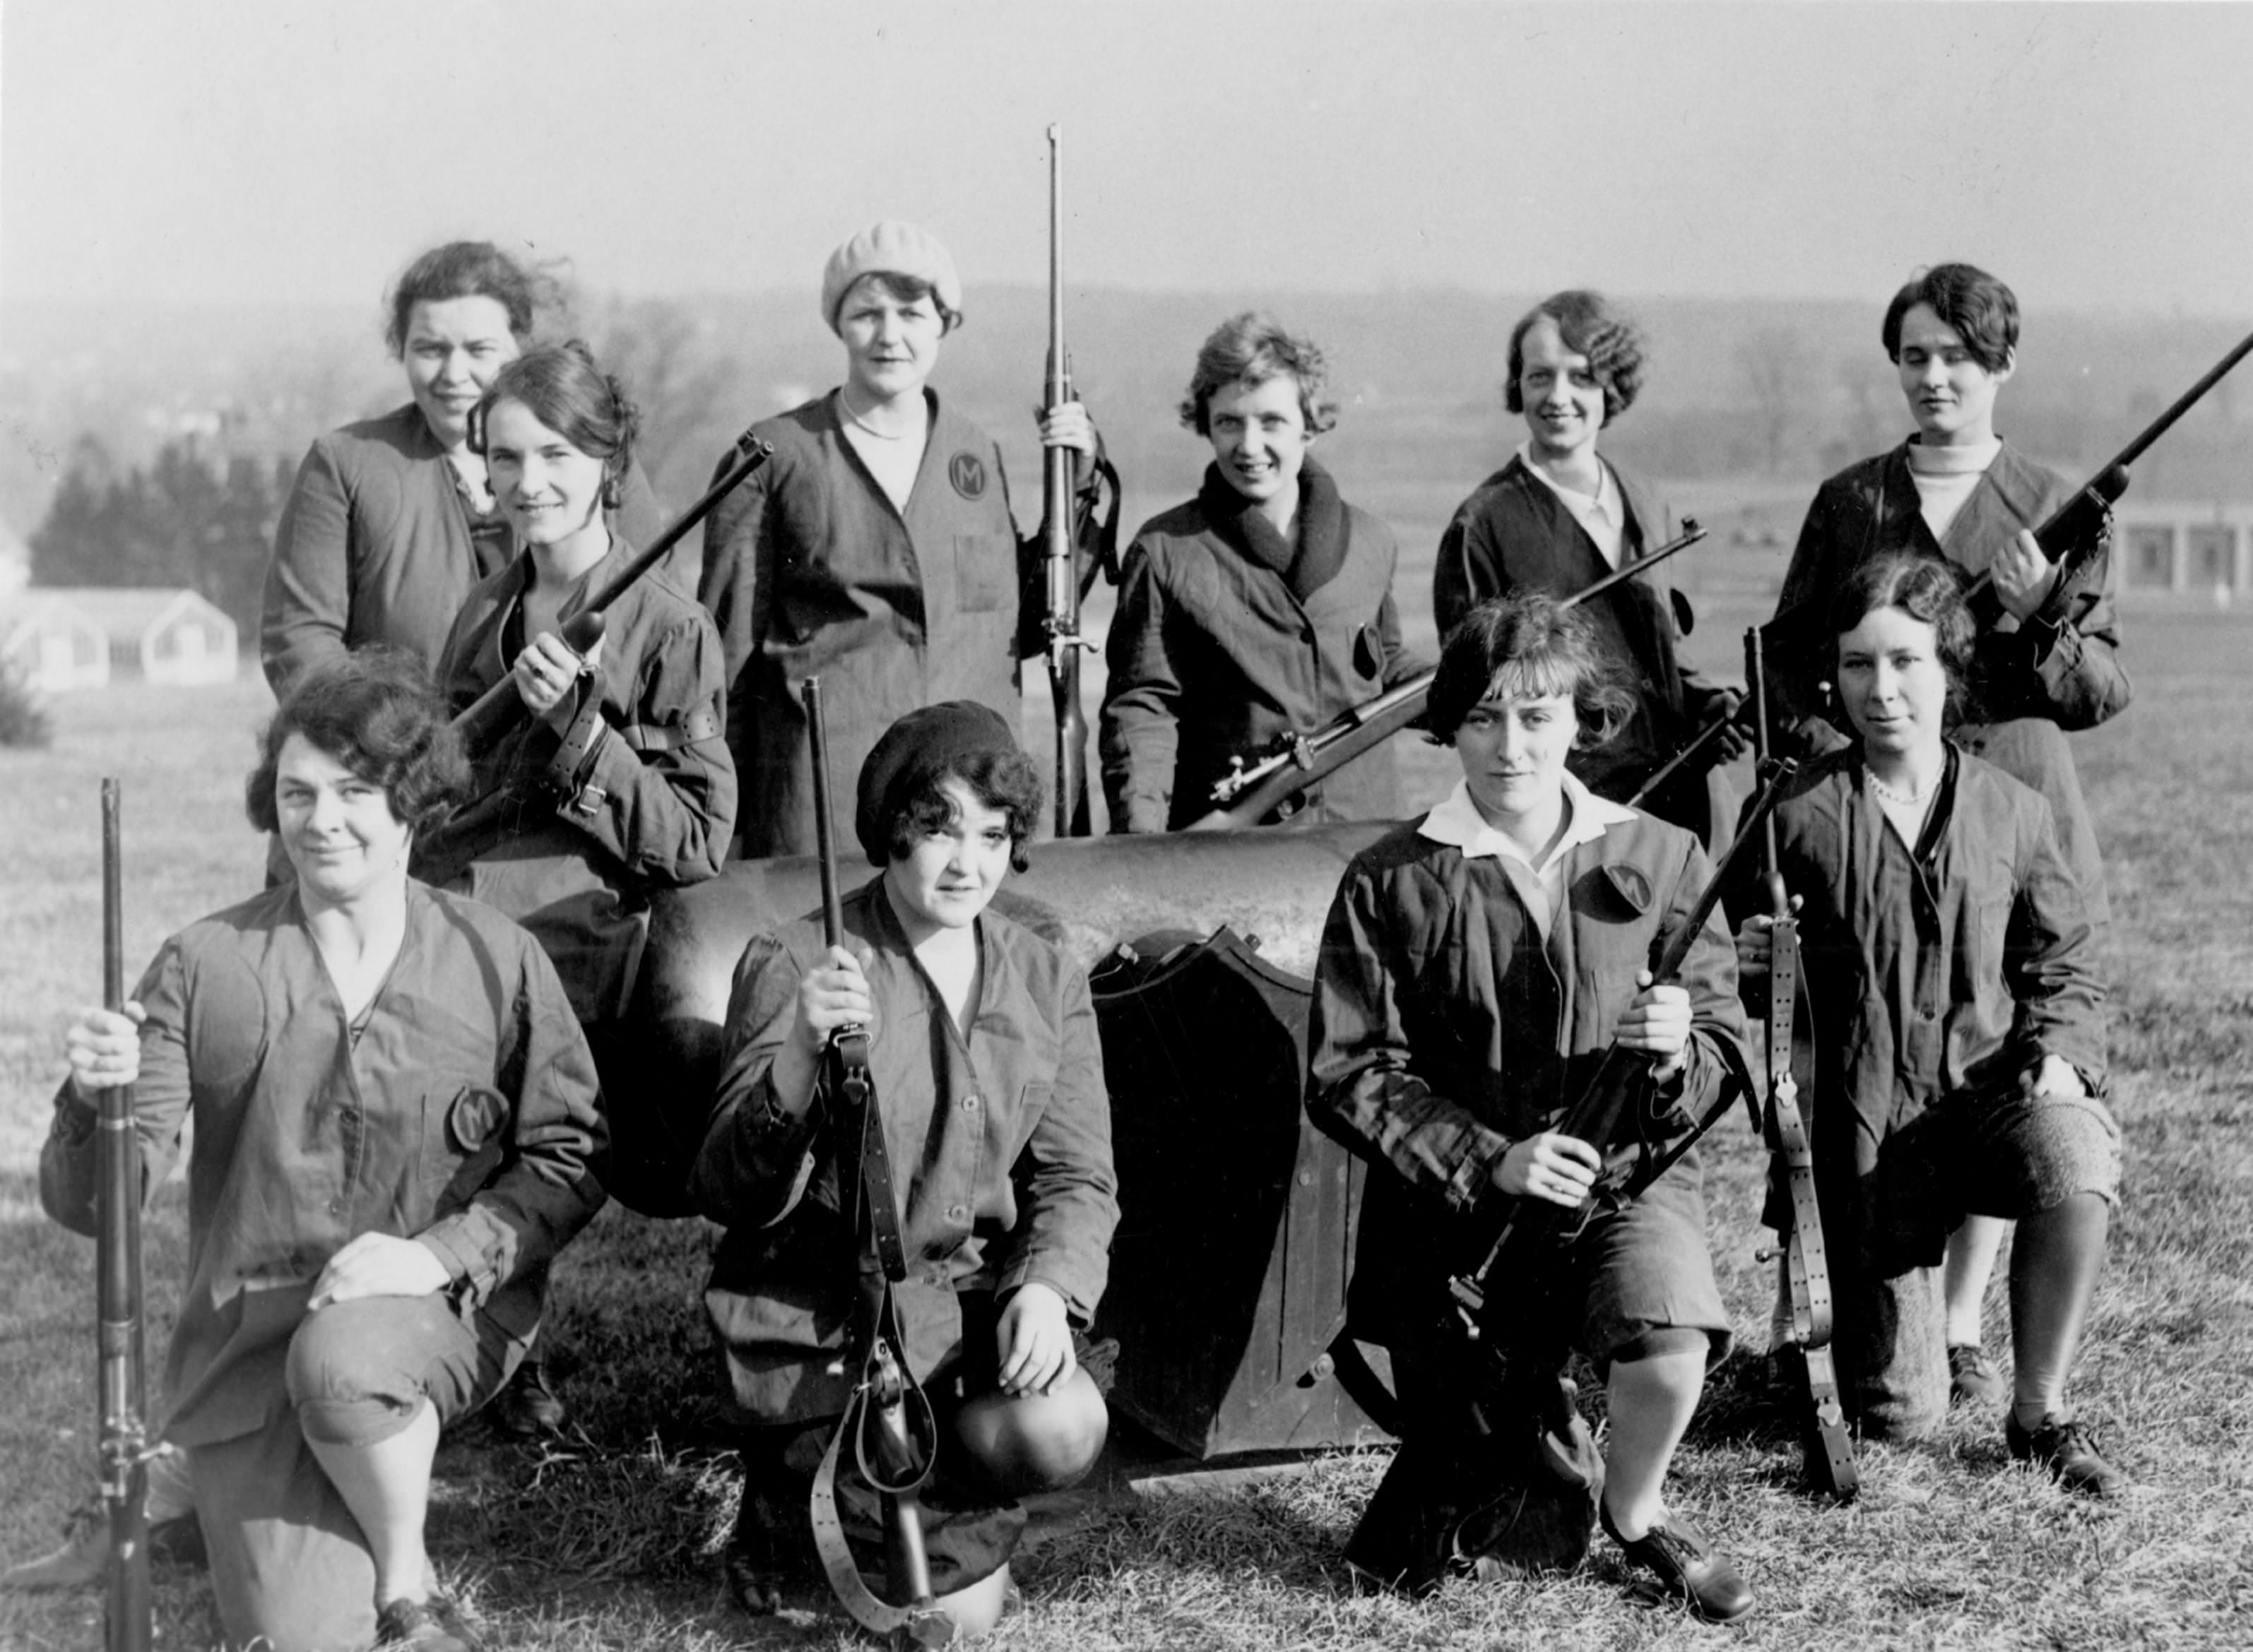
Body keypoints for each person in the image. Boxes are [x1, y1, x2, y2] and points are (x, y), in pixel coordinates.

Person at [41, 654, 608, 1652]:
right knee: (304, 1637)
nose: (323, 819)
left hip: (430, 1320)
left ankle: (406, 1580)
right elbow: (104, 1204)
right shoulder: (203, 962)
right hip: (249, 1354)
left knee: (344, 1366)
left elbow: (569, 1154)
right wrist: (97, 1100)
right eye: (297, 794)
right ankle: (200, 1483)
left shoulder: (495, 956)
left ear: (412, 808)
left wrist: (438, 1253)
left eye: (356, 791)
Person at [1308, 593, 1756, 1622]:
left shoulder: (1662, 853)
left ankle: (1636, 1513)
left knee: (1673, 1343)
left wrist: (1675, 1051)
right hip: (1458, 1227)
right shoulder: (1390, 876)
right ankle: (1533, 1451)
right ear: (1450, 723)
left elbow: (1728, 1044)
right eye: (1483, 717)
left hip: (1623, 1188)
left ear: (1580, 721)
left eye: (1538, 714)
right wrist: (1489, 1159)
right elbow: (1345, 1069)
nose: (1510, 745)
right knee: (1459, 1533)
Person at [1766, 263, 2131, 1406]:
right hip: (1879, 795)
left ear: (1998, 366)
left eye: (1956, 358)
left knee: (1998, 1036)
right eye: (1914, 356)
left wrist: (2035, 617)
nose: (1933, 377)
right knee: (1884, 1039)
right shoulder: (1847, 500)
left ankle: (1970, 1322)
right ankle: (1898, 1317)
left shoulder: (2052, 500)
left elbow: (2098, 690)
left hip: (2012, 798)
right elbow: (1790, 660)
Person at [692, 702, 1118, 1636]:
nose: (969, 862)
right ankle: (788, 1497)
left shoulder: (1045, 968)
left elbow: (1078, 1176)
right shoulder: (799, 957)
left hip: (959, 1311)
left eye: (995, 835)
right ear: (891, 829)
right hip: (823, 1317)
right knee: (937, 1614)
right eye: (940, 830)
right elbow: (729, 1189)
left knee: (1064, 1427)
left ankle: (909, 1490)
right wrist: (800, 1057)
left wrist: (1046, 1288)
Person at [1735, 553, 2123, 1493]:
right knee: (1900, 1419)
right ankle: (1826, 1329)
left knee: (2076, 1154)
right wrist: (1757, 963)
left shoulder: (2017, 812)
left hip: (1983, 1108)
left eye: (1906, 661)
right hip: (1863, 1145)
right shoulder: (1792, 815)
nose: (1882, 688)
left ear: (1949, 667)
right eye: (1860, 665)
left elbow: (2065, 962)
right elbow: (1750, 984)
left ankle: (2039, 1407)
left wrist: (2061, 1054)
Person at [697, 221, 1113, 859]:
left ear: (944, 323)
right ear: (838, 324)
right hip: (821, 814)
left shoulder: (975, 452)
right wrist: (721, 822)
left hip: (966, 810)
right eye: (866, 313)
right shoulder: (775, 455)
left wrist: (1077, 486)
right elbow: (724, 666)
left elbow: (1013, 623)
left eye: (913, 313)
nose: (890, 335)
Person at [422, 340, 735, 1026]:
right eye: (505, 457)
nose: (528, 483)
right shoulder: (481, 610)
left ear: (608, 461)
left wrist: (583, 733)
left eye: (556, 454)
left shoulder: (670, 628)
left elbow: (697, 840)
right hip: (453, 909)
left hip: (578, 946)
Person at [261, 240, 666, 699]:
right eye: (430, 349)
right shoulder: (343, 464)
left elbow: (658, 610)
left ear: (520, 345)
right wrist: (382, 742)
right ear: (401, 350)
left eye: (478, 348)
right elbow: (300, 640)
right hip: (399, 759)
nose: (454, 373)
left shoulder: (596, 454)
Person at [1432, 290, 1743, 845]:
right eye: (1538, 377)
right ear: (1517, 386)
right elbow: (1472, 698)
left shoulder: (1647, 499)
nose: (1558, 397)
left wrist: (1705, 702)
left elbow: (1664, 648)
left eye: (1580, 377)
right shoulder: (1481, 524)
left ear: (1611, 386)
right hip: (1561, 818)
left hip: (1676, 808)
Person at [1099, 312, 1425, 831]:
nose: (1248, 446)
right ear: (1205, 424)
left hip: (1364, 841)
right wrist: (1145, 847)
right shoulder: (1164, 551)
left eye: (1271, 421)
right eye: (1229, 422)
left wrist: (1471, 681)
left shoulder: (1370, 541)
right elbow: (1143, 711)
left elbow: (1381, 664)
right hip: (1233, 852)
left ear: (1310, 426)